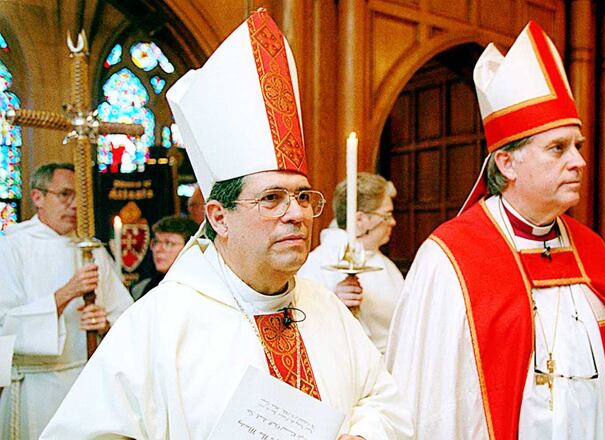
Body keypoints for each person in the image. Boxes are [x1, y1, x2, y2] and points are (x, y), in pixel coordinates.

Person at [42, 9, 411, 440]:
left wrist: (363, 435)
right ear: (220, 217)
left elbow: (382, 399)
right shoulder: (162, 323)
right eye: (272, 198)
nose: (296, 213)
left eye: (303, 196)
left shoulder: (326, 307)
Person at [386, 21, 605, 439]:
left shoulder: (588, 248)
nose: (579, 161)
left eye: (577, 146)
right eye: (558, 148)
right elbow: (432, 398)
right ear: (507, 163)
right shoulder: (450, 257)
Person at [0, 162, 133, 440]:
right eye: (65, 195)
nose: (74, 205)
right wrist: (65, 294)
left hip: (86, 382)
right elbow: (4, 327)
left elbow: (128, 318)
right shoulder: (10, 247)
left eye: (79, 197)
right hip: (34, 388)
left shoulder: (91, 250)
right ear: (38, 197)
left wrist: (105, 323)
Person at [298, 173, 403, 354]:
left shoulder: (384, 262)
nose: (392, 222)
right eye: (387, 215)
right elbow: (306, 325)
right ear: (360, 220)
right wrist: (335, 304)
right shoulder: (317, 264)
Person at [130, 215, 198, 301]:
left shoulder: (201, 290)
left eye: (169, 243)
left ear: (189, 247)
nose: (157, 249)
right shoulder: (142, 289)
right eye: (156, 242)